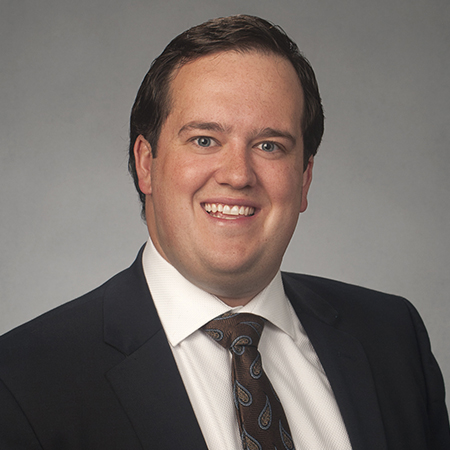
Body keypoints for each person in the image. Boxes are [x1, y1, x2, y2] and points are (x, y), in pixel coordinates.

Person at [0, 14, 448, 450]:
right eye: (204, 140)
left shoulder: (393, 339)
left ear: (305, 178)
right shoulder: (24, 380)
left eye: (269, 145)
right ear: (146, 163)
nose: (237, 175)